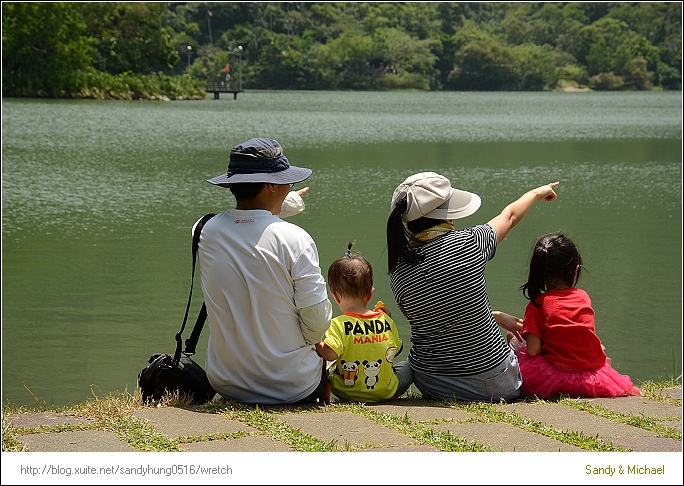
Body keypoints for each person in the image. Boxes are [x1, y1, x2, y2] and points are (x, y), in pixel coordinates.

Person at [386, 171, 559, 402]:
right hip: (493, 384)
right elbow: (508, 216)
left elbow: (436, 310)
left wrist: (493, 315)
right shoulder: (470, 242)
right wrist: (536, 192)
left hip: (431, 382)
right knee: (523, 341)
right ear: (447, 216)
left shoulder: (397, 268)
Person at [198, 137, 332, 404]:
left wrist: (286, 199)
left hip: (227, 382)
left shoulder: (204, 232)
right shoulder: (296, 239)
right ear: (271, 185)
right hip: (293, 386)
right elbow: (317, 323)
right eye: (287, 182)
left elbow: (250, 221)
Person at [510, 232, 641, 398]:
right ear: (575, 270)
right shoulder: (583, 297)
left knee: (512, 336)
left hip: (552, 377)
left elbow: (534, 351)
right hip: (589, 375)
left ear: (539, 272)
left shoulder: (537, 304)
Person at [314, 242, 412, 402]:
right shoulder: (385, 319)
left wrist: (315, 341)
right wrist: (389, 321)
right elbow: (397, 348)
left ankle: (325, 398)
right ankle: (390, 393)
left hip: (346, 392)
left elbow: (329, 354)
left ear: (335, 296)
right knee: (408, 368)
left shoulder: (338, 324)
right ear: (370, 293)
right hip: (385, 391)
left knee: (325, 366)